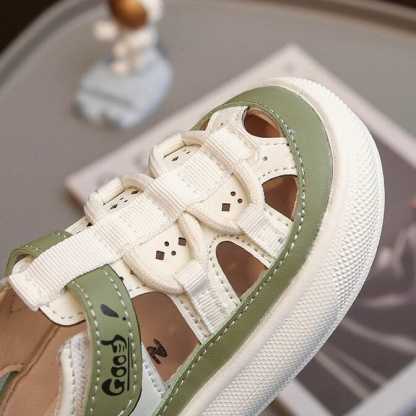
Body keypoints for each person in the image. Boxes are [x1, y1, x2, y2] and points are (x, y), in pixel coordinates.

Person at [94, 0, 163, 75]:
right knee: (119, 51)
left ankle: (132, 67)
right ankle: (133, 63)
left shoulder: (142, 36)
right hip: (131, 43)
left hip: (136, 48)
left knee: (134, 58)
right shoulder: (125, 23)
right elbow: (118, 27)